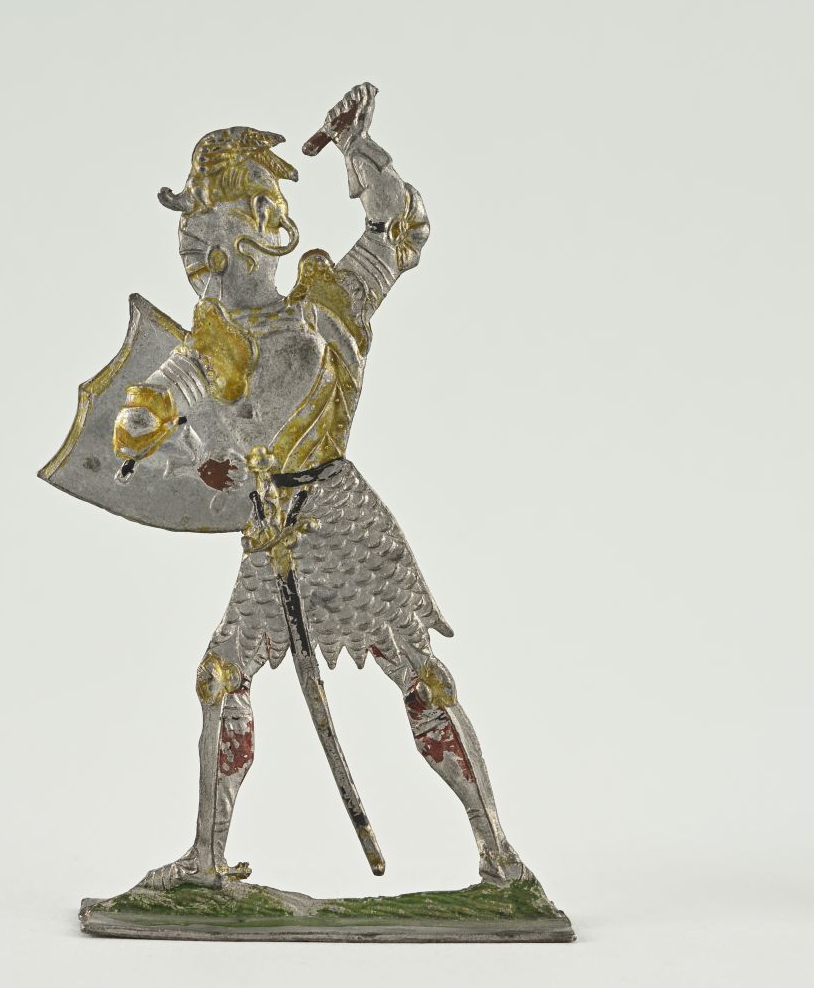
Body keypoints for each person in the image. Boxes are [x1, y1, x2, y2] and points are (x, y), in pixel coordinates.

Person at [112, 84, 529, 888]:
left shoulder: (327, 307)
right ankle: (206, 858)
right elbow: (145, 418)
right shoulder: (207, 351)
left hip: (340, 516)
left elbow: (397, 229)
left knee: (418, 672)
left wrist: (359, 149)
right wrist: (160, 426)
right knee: (221, 676)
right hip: (271, 534)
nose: (199, 259)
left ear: (257, 233)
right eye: (192, 242)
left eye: (209, 238)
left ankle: (500, 857)